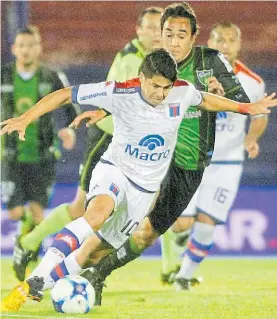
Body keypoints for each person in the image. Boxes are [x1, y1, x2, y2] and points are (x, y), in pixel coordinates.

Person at [1, 47, 276, 312]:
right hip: (115, 170)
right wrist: (26, 118)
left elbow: (204, 99)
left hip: (143, 191)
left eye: (166, 87)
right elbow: (65, 95)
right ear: (142, 78)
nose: (161, 93)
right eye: (155, 86)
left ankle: (37, 285)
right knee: (97, 214)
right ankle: (36, 278)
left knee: (97, 252)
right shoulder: (119, 92)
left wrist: (245, 108)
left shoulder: (180, 92)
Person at [58, 2, 273, 305]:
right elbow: (131, 90)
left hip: (189, 164)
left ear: (194, 37)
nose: (173, 41)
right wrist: (104, 108)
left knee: (146, 235)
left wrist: (222, 94)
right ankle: (64, 273)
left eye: (181, 35)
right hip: (151, 159)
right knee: (112, 226)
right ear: (160, 35)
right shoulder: (155, 63)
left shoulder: (210, 61)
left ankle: (97, 274)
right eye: (168, 33)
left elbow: (239, 100)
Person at [10, 6, 164, 282]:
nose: (156, 33)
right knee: (82, 208)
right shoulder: (133, 60)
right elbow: (127, 102)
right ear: (139, 30)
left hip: (127, 145)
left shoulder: (155, 61)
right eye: (150, 27)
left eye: (159, 28)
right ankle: (32, 243)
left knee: (110, 211)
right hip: (107, 138)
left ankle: (56, 255)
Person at [169, 21, 268, 290]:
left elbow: (259, 116)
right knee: (180, 224)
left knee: (207, 221)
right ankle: (178, 246)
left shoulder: (253, 81)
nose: (224, 45)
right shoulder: (189, 74)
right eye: (219, 40)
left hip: (226, 162)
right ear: (209, 43)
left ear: (238, 44)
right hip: (191, 156)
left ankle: (184, 276)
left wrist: (251, 138)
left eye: (230, 40)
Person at [1, 26, 78, 280]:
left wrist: (69, 130)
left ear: (39, 48)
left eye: (30, 45)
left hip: (43, 155)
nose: (25, 50)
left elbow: (68, 105)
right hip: (10, 155)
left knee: (37, 213)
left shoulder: (52, 76)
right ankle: (25, 239)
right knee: (13, 212)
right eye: (21, 45)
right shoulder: (3, 76)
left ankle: (26, 247)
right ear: (14, 49)